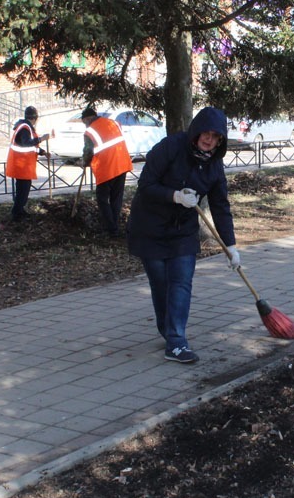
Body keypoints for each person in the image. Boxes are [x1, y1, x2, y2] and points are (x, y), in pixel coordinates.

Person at [126, 106, 240, 364]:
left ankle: (176, 340)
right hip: (150, 227)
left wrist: (231, 246)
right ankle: (167, 330)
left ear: (221, 140)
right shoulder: (171, 147)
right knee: (162, 285)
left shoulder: (214, 166)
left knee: (181, 282)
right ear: (197, 130)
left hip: (182, 232)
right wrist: (174, 195)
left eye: (215, 136)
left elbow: (221, 206)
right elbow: (146, 186)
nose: (208, 139)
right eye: (206, 133)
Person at [80, 106, 133, 236]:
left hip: (107, 168)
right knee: (116, 198)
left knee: (102, 199)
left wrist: (84, 162)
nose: (85, 125)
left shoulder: (90, 131)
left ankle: (111, 229)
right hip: (122, 165)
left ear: (87, 118)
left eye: (84, 122)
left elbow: (88, 151)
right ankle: (114, 225)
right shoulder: (114, 122)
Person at [5, 105, 50, 222]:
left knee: (22, 190)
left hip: (22, 165)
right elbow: (26, 143)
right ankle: (16, 213)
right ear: (35, 118)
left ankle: (20, 210)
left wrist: (42, 152)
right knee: (22, 191)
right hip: (21, 165)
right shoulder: (25, 128)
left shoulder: (24, 126)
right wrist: (41, 139)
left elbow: (29, 146)